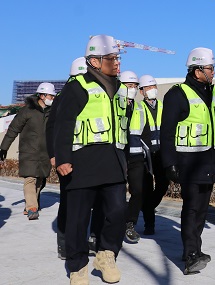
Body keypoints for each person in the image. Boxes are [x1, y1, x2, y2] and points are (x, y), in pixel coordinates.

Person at [54, 35, 128, 285]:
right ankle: (77, 267)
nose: (117, 63)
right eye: (112, 58)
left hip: (113, 160)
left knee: (118, 211)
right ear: (95, 61)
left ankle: (106, 255)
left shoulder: (121, 89)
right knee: (78, 219)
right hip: (82, 162)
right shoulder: (76, 87)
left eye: (117, 58)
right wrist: (62, 157)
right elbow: (62, 124)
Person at [160, 47, 215, 275]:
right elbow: (167, 132)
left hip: (210, 161)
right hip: (188, 163)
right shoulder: (177, 94)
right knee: (192, 208)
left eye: (213, 68)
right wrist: (169, 163)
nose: (213, 72)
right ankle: (190, 255)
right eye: (210, 68)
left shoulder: (214, 93)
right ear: (197, 70)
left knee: (203, 209)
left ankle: (194, 250)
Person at [46, 57, 93, 260]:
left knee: (89, 202)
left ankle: (85, 239)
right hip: (68, 156)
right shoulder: (65, 94)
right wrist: (54, 154)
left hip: (87, 157)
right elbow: (52, 127)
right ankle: (64, 242)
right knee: (68, 201)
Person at [0, 82, 56, 221]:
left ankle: (31, 204)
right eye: (51, 95)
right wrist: (4, 147)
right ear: (42, 96)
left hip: (45, 153)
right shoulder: (27, 111)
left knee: (40, 180)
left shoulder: (53, 112)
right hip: (28, 152)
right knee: (30, 178)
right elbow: (13, 129)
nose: (52, 98)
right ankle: (32, 208)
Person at [136, 74, 169, 236]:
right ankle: (150, 224)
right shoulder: (139, 108)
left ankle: (146, 207)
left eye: (153, 87)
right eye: (148, 88)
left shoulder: (164, 106)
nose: (152, 90)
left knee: (163, 184)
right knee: (147, 189)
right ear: (141, 92)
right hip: (145, 155)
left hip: (161, 153)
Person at [119, 70, 147, 244]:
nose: (133, 89)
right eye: (130, 86)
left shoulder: (139, 107)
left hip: (136, 155)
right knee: (116, 193)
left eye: (135, 86)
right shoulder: (113, 104)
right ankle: (114, 223)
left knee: (138, 191)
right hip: (119, 154)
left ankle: (130, 223)